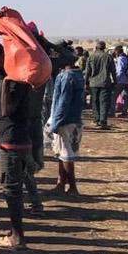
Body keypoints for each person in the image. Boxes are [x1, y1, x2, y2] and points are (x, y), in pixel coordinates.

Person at [0, 73, 40, 250]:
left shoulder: (14, 83)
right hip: (21, 141)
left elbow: (8, 110)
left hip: (13, 143)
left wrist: (5, 85)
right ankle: (16, 233)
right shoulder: (21, 81)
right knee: (19, 186)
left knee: (12, 190)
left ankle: (17, 237)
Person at [48, 53, 85, 196]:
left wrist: (55, 123)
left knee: (66, 155)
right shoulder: (77, 74)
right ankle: (61, 183)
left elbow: (63, 103)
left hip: (65, 121)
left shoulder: (66, 77)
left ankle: (73, 187)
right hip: (74, 119)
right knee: (63, 155)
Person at [84, 41, 115, 129]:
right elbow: (113, 71)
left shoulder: (91, 57)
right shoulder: (108, 57)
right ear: (104, 48)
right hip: (105, 82)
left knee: (94, 101)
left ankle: (96, 120)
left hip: (93, 83)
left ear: (96, 48)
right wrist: (115, 81)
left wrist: (85, 82)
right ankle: (103, 121)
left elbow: (87, 72)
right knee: (104, 102)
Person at [113, 45, 128, 117]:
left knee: (114, 96)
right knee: (125, 96)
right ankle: (125, 112)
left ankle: (112, 111)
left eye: (115, 51)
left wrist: (116, 80)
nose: (114, 53)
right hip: (127, 80)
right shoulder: (127, 58)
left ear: (117, 51)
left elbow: (120, 70)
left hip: (120, 81)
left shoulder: (120, 58)